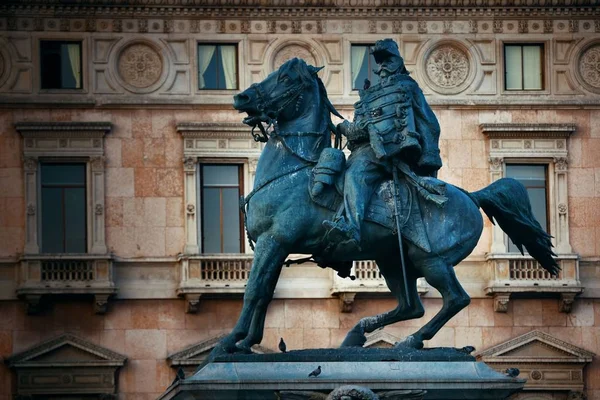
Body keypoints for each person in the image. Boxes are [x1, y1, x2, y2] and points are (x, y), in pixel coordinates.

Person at [323, 39, 442, 252]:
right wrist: (343, 128)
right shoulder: (368, 97)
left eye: (388, 60)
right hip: (366, 149)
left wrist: (428, 156)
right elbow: (360, 130)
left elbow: (428, 121)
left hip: (390, 152)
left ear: (398, 62)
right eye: (380, 62)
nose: (383, 66)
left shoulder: (408, 88)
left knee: (356, 173)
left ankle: (352, 228)